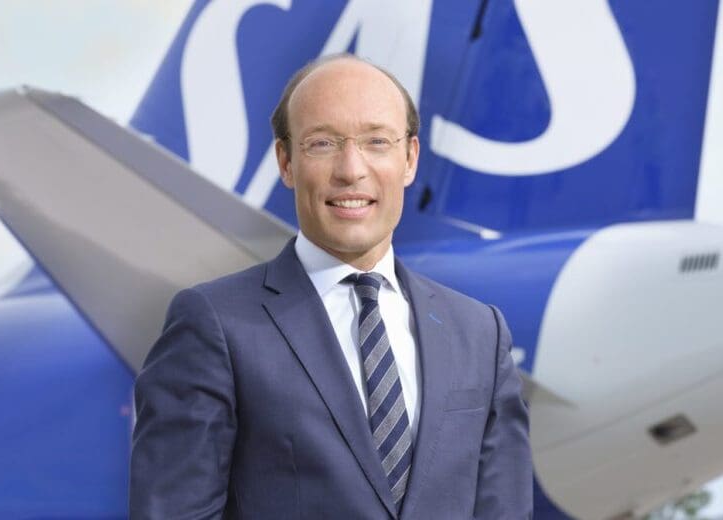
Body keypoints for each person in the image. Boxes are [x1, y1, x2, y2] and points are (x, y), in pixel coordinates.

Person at [129, 54, 535, 519]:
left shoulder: (480, 333)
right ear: (286, 162)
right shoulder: (215, 325)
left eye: (377, 141)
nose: (351, 169)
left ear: (409, 159)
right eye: (322, 143)